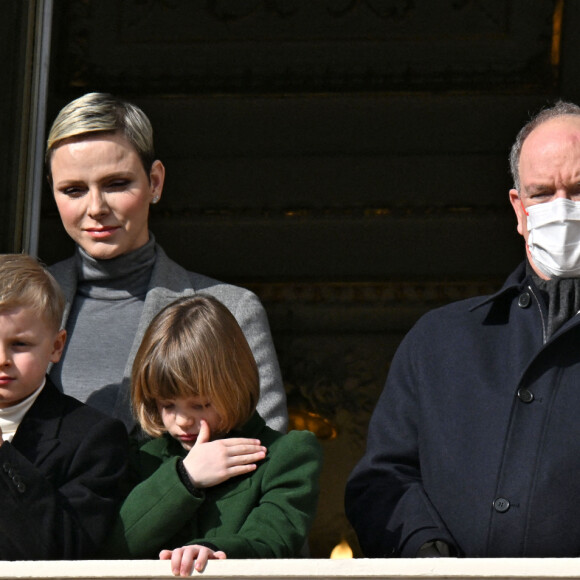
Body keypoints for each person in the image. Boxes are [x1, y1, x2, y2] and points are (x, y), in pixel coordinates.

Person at [345, 100, 580, 558]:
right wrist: (426, 553)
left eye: (577, 189)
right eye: (540, 193)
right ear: (518, 207)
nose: (561, 208)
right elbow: (382, 479)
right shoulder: (440, 341)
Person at [44, 92, 287, 433]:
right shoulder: (10, 304)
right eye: (73, 190)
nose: (95, 207)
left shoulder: (233, 309)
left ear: (155, 182)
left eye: (116, 184)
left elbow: (265, 460)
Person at [100, 294, 322, 576]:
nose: (181, 420)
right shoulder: (141, 458)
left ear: (236, 386)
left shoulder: (288, 454)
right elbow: (116, 547)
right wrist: (184, 477)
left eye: (200, 404)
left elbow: (271, 541)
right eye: (167, 405)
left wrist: (212, 552)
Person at [0, 253, 129, 559]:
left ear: (56, 346)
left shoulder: (94, 438)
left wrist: (4, 460)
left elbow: (68, 547)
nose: (2, 359)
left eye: (20, 344)